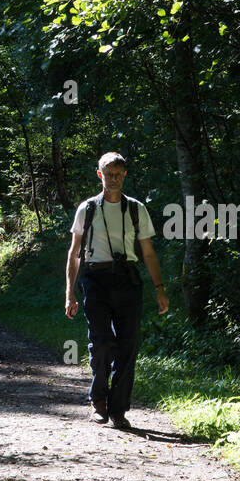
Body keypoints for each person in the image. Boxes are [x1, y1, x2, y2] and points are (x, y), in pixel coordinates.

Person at [64, 152, 169, 430]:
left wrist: (160, 288)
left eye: (119, 174)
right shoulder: (87, 209)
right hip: (95, 279)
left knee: (128, 345)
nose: (113, 179)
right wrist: (70, 294)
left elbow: (148, 253)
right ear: (99, 174)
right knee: (101, 343)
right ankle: (99, 402)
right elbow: (74, 253)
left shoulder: (136, 209)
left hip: (128, 281)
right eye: (108, 174)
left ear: (125, 175)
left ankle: (119, 409)